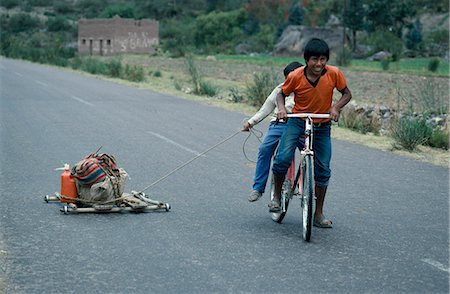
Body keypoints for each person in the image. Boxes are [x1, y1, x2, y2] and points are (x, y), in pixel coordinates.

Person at [271, 38, 352, 228]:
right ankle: (275, 197)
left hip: (323, 125)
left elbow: (346, 93)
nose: (319, 64)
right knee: (282, 158)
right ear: (307, 60)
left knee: (323, 169)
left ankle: (318, 213)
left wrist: (336, 107)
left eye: (323, 59)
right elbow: (281, 94)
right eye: (314, 59)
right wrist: (282, 109)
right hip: (298, 121)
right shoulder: (296, 76)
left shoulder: (334, 74)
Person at [242, 61, 303, 202]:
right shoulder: (280, 89)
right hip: (280, 124)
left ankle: (306, 186)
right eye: (289, 78)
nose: (292, 81)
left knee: (311, 153)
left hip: (301, 125)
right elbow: (266, 108)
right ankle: (258, 188)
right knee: (265, 149)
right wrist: (250, 122)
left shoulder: (309, 89)